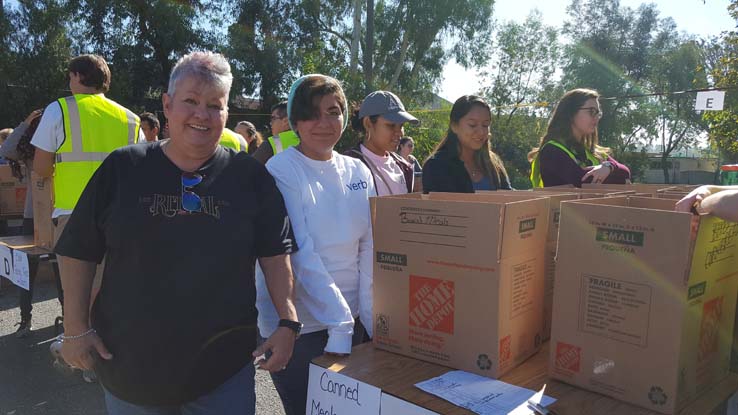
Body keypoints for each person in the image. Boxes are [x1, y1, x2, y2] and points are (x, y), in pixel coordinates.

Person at [55, 51, 300, 415]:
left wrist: (287, 320)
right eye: (190, 101)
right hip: (131, 369)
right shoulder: (124, 168)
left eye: (214, 105)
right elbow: (78, 250)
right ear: (168, 105)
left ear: (227, 114)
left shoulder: (249, 177)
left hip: (222, 373)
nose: (202, 114)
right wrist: (75, 329)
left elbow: (274, 252)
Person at [255, 74, 374, 415]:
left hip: (351, 320)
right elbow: (299, 250)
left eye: (334, 112)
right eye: (312, 113)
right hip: (300, 326)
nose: (324, 123)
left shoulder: (357, 171)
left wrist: (367, 317)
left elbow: (368, 246)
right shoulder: (282, 168)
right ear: (295, 120)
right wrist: (340, 325)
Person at [0, 109, 64, 338]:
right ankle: (25, 319)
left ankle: (68, 319)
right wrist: (25, 122)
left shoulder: (61, 149)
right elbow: (7, 149)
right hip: (33, 217)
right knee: (26, 272)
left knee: (62, 272)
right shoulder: (31, 153)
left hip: (58, 215)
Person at [529, 88, 630, 188]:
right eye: (591, 111)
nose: (596, 118)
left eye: (598, 113)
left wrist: (609, 166)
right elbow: (584, 181)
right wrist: (610, 170)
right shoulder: (551, 151)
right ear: (571, 113)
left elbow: (626, 172)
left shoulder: (592, 151)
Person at [423, 95, 512, 193]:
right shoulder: (436, 166)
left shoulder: (494, 164)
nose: (481, 132)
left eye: (485, 125)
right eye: (472, 125)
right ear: (454, 126)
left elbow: (508, 198)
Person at [345, 91, 418, 195]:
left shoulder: (404, 167)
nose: (399, 133)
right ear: (368, 123)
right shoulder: (346, 167)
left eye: (401, 126)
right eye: (391, 125)